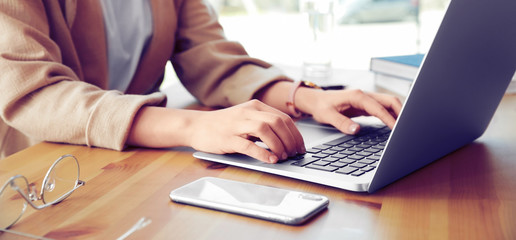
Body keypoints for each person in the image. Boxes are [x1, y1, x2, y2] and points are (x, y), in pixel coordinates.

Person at [0, 0, 402, 163]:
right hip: (42, 167)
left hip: (125, 159)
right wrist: (194, 126)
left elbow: (209, 55)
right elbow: (35, 92)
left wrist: (304, 97)